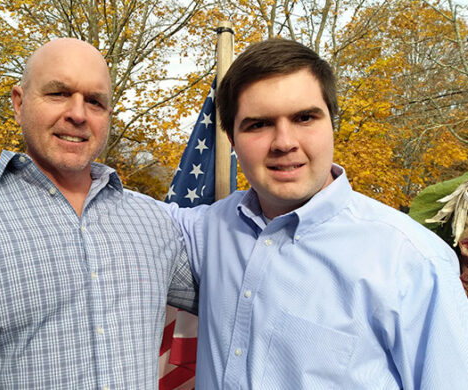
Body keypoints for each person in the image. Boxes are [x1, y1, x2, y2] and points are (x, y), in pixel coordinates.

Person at [0, 38, 196, 389]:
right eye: (58, 93)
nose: (78, 114)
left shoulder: (154, 222)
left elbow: (238, 289)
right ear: (19, 103)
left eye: (94, 101)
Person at [167, 38, 468, 388]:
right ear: (232, 141)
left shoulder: (413, 261)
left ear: (332, 123)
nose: (284, 142)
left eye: (304, 117)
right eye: (258, 124)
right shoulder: (207, 230)